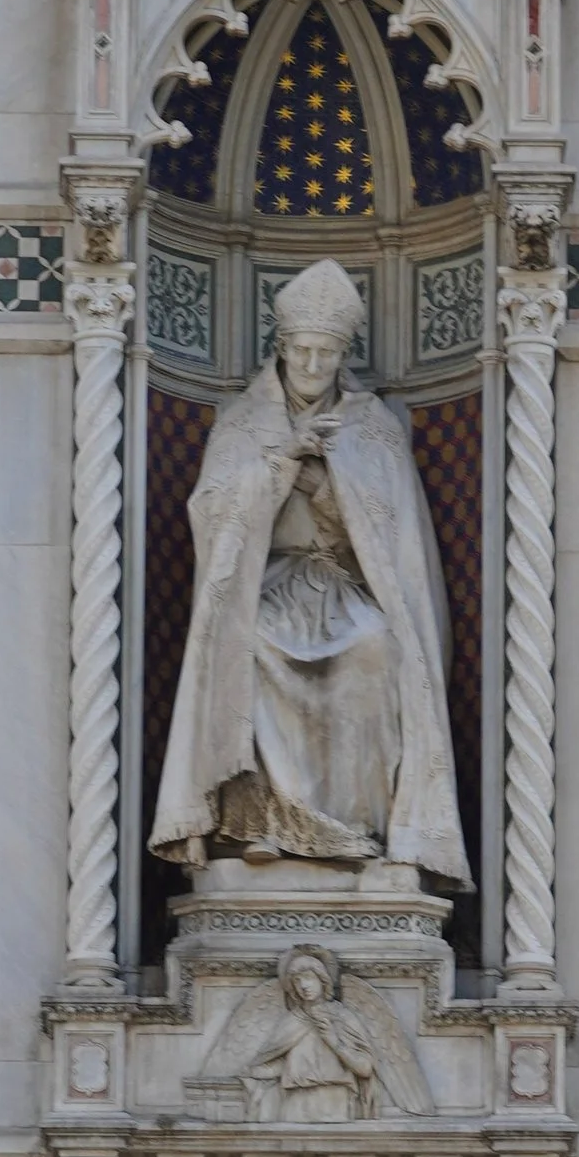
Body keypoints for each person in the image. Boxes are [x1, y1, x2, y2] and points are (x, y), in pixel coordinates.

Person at [150, 256, 468, 887]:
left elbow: (393, 543)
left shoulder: (372, 428)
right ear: (282, 347)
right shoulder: (243, 423)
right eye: (303, 351)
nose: (314, 365)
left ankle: (358, 830)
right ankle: (265, 820)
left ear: (341, 355)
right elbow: (210, 515)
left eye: (326, 354)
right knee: (249, 643)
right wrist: (284, 461)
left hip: (340, 588)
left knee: (377, 646)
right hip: (267, 587)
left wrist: (327, 485)